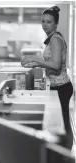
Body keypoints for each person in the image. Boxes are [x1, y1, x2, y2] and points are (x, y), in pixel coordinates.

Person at [21, 6, 73, 149]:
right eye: (43, 21)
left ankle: (67, 156)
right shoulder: (51, 39)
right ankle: (66, 154)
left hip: (62, 87)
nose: (45, 24)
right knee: (64, 123)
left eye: (49, 22)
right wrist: (34, 65)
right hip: (57, 86)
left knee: (64, 125)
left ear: (56, 24)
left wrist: (35, 58)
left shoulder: (56, 39)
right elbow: (51, 63)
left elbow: (56, 65)